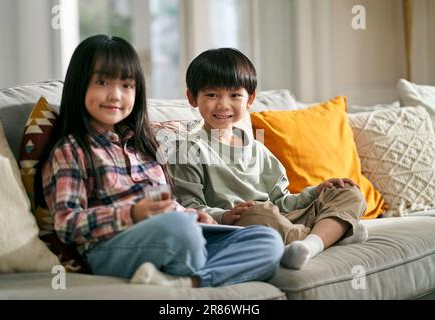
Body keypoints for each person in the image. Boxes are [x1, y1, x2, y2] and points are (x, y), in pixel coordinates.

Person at [34, 35, 283, 288]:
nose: (115, 95)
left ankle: (186, 282)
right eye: (102, 82)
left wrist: (197, 216)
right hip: (114, 246)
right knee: (180, 231)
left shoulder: (144, 146)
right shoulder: (71, 150)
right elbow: (67, 224)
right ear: (79, 85)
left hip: (175, 234)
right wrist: (132, 213)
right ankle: (199, 267)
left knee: (268, 241)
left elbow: (170, 205)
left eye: (127, 85)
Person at [167, 48, 368, 270]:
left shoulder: (259, 150)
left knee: (348, 192)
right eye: (212, 95)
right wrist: (225, 215)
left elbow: (282, 202)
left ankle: (311, 243)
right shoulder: (186, 149)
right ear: (192, 98)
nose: (223, 105)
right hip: (240, 225)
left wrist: (317, 191)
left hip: (279, 218)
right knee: (258, 214)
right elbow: (188, 207)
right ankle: (331, 233)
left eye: (235, 95)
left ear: (250, 98)